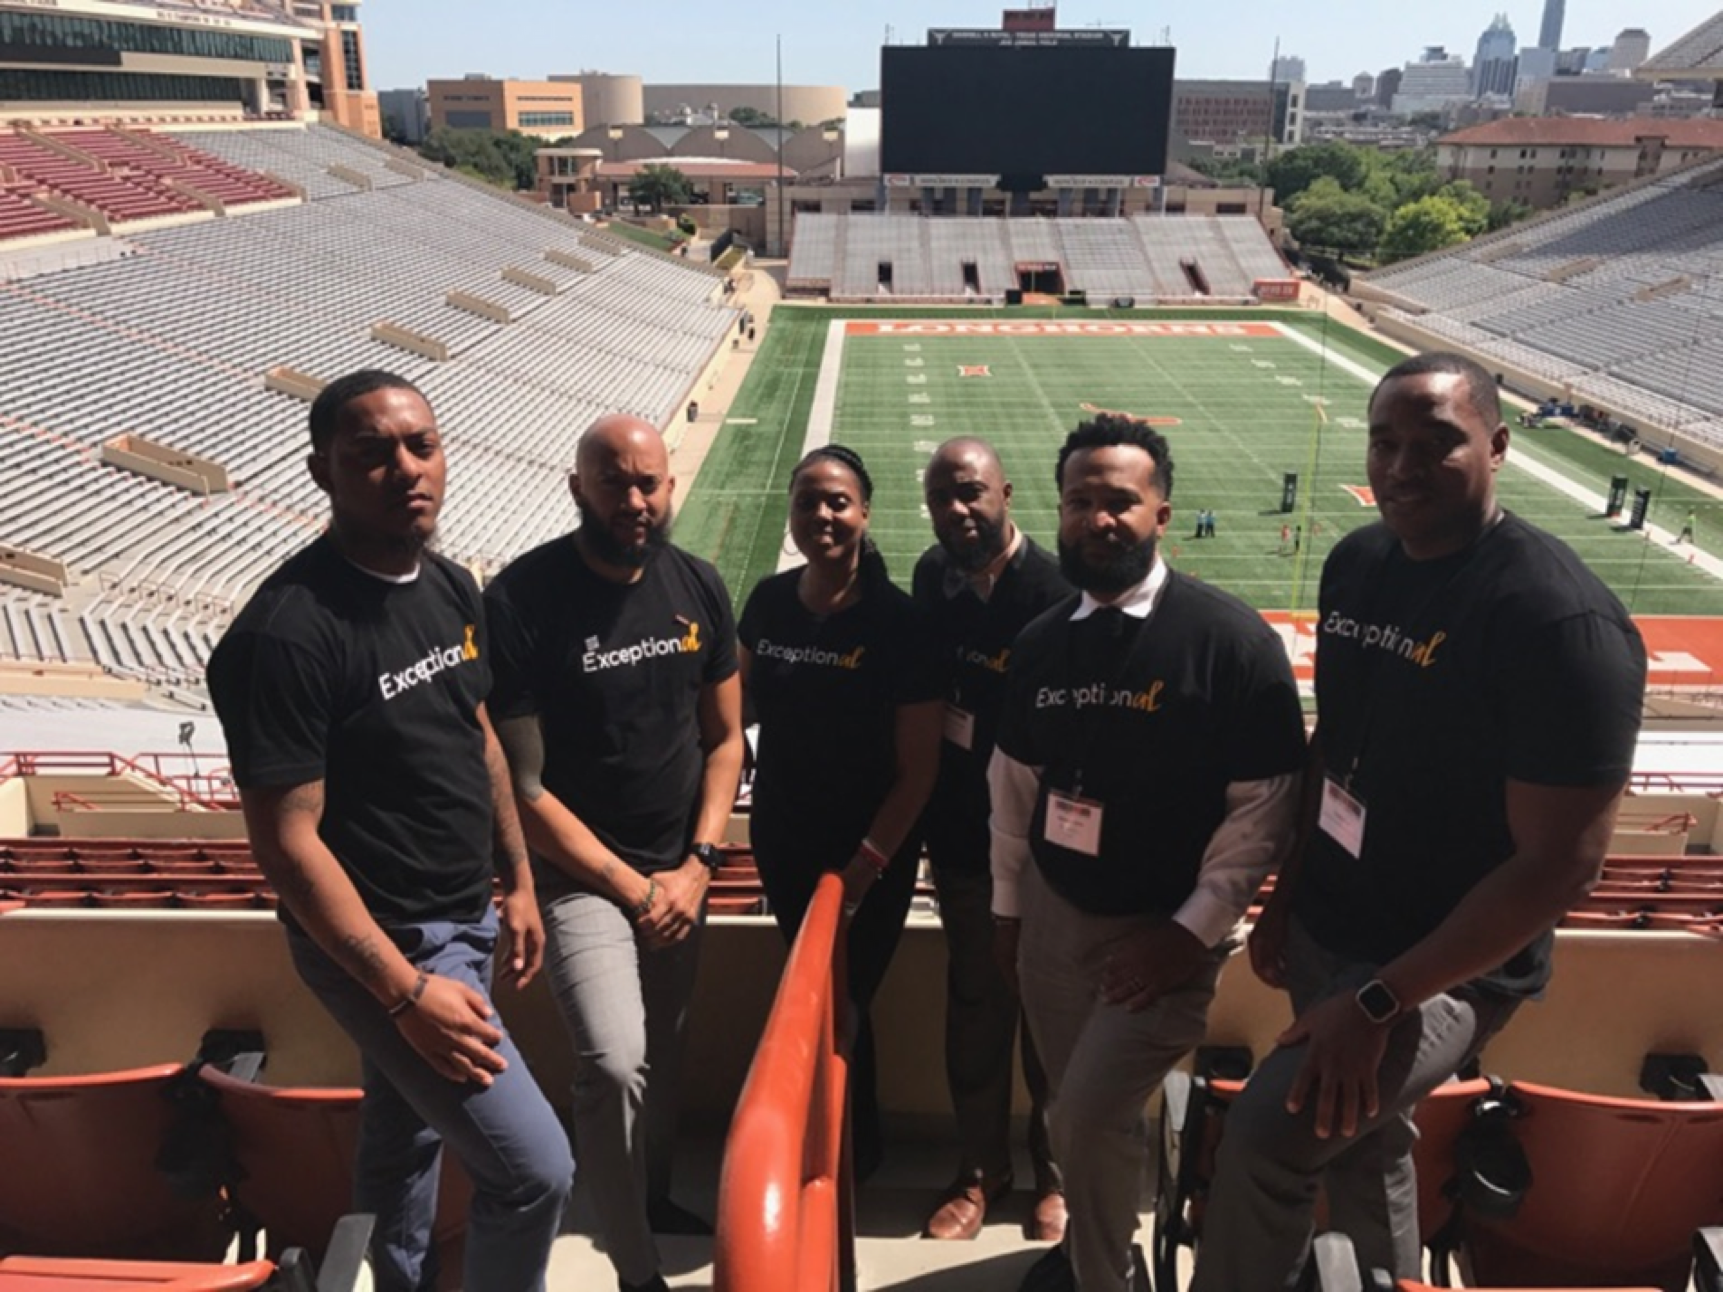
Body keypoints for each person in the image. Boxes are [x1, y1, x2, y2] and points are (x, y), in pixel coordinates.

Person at [1191, 352, 1646, 1290]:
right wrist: (1286, 900)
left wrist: (1375, 1002)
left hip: (1442, 970)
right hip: (1333, 924)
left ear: (1499, 445)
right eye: (1384, 442)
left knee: (1270, 1141)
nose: (1399, 465)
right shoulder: (1360, 561)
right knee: (1359, 1144)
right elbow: (1337, 748)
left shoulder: (1557, 623)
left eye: (1435, 443)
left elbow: (1558, 869)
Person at [206, 370, 573, 1292]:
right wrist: (406, 994)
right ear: (321, 471)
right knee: (533, 1173)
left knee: (403, 1135)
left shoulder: (448, 582)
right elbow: (287, 843)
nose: (405, 469)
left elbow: (474, 732)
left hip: (464, 914)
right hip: (393, 947)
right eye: (370, 453)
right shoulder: (286, 635)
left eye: (421, 445)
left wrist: (518, 877)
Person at [990, 414, 1307, 1292]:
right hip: (1055, 915)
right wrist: (1009, 913)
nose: (1099, 519)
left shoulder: (1231, 644)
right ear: (1057, 514)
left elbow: (1263, 816)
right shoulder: (1042, 640)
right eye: (1080, 501)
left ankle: (1105, 1280)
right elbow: (1013, 792)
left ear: (1161, 513)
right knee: (1073, 1107)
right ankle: (1101, 1248)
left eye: (1120, 502)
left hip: (1164, 929)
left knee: (1087, 1117)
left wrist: (1189, 932)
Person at [485, 414, 745, 1292]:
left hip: (681, 870)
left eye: (649, 482)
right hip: (582, 880)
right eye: (614, 482)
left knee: (663, 1054)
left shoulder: (698, 585)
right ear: (577, 488)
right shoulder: (521, 601)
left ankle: (653, 1195)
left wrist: (698, 863)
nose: (635, 500)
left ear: (670, 487)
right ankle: (634, 1266)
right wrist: (635, 888)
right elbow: (522, 789)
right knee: (612, 1057)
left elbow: (725, 739)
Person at [738, 444, 944, 1179]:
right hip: (785, 837)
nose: (822, 514)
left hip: (871, 848)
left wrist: (868, 863)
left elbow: (919, 767)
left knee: (843, 995)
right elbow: (735, 709)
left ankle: (835, 1157)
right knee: (814, 992)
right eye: (807, 501)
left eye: (837, 501)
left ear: (864, 512)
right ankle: (845, 1147)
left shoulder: (900, 623)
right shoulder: (766, 602)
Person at [912, 438, 1071, 1243]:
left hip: (1048, 849)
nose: (957, 510)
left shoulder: (1058, 589)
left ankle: (1054, 1171)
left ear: (1005, 491)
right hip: (964, 838)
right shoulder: (930, 579)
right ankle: (980, 1169)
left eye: (971, 493)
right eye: (942, 496)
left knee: (1048, 1012)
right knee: (975, 1005)